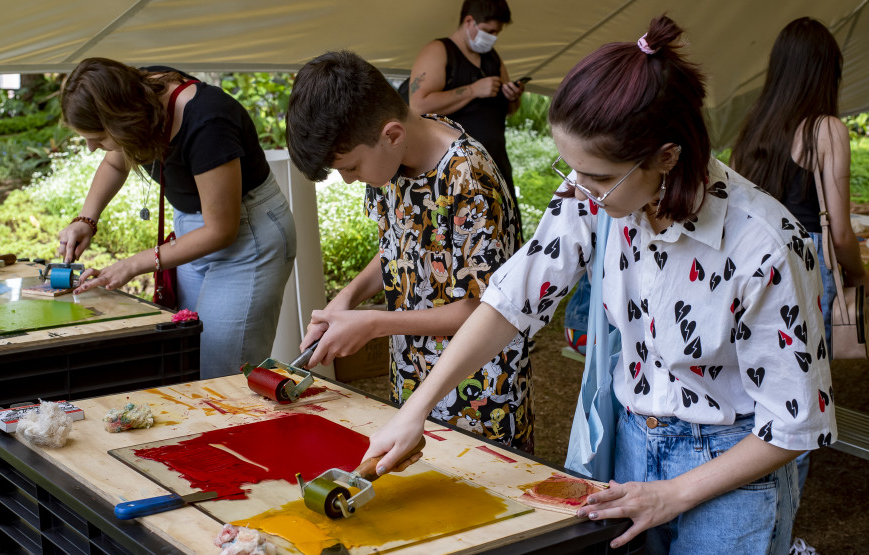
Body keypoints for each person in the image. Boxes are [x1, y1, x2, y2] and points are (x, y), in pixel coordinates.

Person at [365, 15, 836, 554]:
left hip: (730, 469)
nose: (581, 193)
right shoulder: (596, 194)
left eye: (596, 177)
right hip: (631, 442)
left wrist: (673, 494)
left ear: (666, 156)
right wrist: (415, 410)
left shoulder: (767, 244)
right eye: (573, 171)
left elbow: (795, 423)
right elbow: (510, 300)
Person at [286, 50, 533, 452]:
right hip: (411, 370)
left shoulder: (468, 178)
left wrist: (374, 323)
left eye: (350, 168)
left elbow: (487, 310)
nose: (349, 181)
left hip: (480, 388)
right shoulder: (388, 159)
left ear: (392, 135)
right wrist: (345, 300)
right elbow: (397, 245)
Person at [57, 58, 297, 379]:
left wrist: (130, 265)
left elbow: (220, 229)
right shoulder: (136, 97)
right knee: (188, 354)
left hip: (247, 234)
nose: (91, 148)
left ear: (120, 121)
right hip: (195, 226)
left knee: (221, 372)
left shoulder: (206, 120)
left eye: (97, 138)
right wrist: (85, 220)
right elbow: (116, 164)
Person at [731, 18, 866, 555]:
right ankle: (778, 539)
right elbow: (837, 229)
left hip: (750, 266)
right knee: (799, 413)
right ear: (823, 73)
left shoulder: (756, 126)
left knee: (754, 401)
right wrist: (859, 275)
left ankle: (755, 528)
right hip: (803, 269)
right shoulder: (826, 128)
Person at [406, 0, 525, 240]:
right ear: (469, 22)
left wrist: (512, 96)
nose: (493, 38)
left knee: (504, 236)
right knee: (461, 241)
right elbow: (418, 104)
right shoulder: (439, 50)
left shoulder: (492, 58)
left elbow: (509, 109)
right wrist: (473, 90)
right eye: (489, 31)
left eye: (497, 33)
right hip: (454, 172)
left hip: (495, 166)